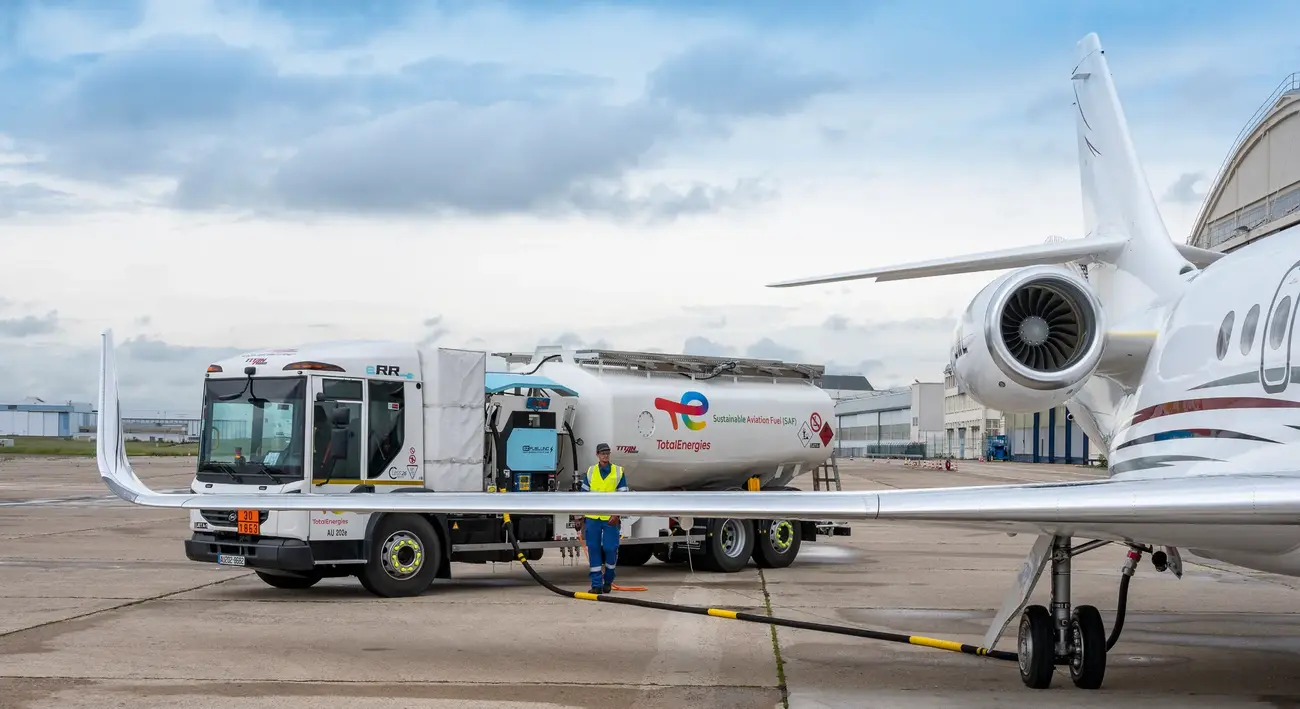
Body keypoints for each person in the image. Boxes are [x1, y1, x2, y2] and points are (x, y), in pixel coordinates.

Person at [579, 442, 628, 594]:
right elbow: (582, 495)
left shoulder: (618, 472)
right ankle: (596, 585)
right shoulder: (591, 471)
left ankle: (608, 579)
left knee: (610, 548)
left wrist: (616, 514)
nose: (605, 455)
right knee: (593, 549)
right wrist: (579, 517)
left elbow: (623, 496)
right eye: (602, 453)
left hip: (610, 518)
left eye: (607, 453)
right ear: (597, 455)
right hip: (592, 517)